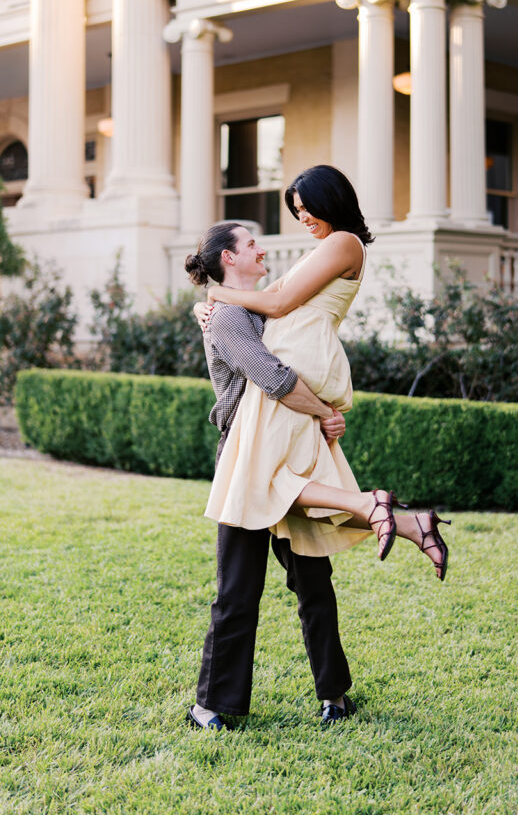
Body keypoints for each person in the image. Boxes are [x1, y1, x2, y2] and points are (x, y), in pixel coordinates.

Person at [203, 165, 450, 574]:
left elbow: (279, 306)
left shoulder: (344, 243)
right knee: (297, 477)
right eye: (297, 211)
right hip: (293, 353)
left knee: (262, 475)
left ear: (329, 200)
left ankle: (372, 505)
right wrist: (212, 307)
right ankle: (410, 525)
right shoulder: (323, 248)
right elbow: (266, 297)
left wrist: (215, 291)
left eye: (306, 208)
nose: (302, 218)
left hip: (302, 355)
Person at [184, 221, 357, 730]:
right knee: (238, 588)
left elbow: (305, 359)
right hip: (248, 465)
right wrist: (324, 413)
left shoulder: (268, 307)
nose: (262, 249)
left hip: (292, 456)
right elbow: (274, 377)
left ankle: (335, 696)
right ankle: (212, 706)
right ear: (228, 260)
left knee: (313, 580)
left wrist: (327, 412)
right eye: (251, 243)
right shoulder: (227, 317)